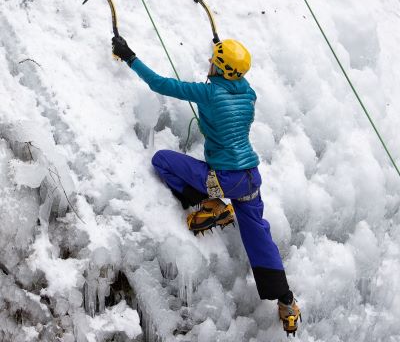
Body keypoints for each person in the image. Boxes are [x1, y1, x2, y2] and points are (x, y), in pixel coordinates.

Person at [112, 36, 301, 335]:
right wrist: (221, 56)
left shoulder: (209, 93)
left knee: (163, 161)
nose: (209, 63)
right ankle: (287, 301)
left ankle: (210, 205)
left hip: (224, 179)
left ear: (222, 68)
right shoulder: (249, 94)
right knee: (258, 238)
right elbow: (230, 89)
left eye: (214, 60)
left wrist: (130, 57)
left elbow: (160, 84)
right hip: (251, 178)